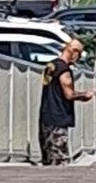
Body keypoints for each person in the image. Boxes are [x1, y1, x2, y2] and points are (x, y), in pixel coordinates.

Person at [38, 36, 92, 166]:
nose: (78, 58)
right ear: (74, 52)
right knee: (60, 159)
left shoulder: (51, 66)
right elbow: (69, 95)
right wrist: (85, 95)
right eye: (79, 54)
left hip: (46, 117)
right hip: (58, 117)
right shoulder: (64, 70)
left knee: (48, 157)